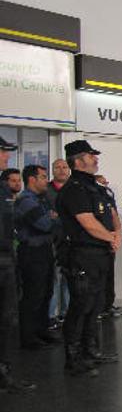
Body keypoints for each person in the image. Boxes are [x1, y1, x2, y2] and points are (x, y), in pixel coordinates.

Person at [56, 140, 119, 377]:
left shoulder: (96, 187)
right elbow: (88, 223)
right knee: (80, 306)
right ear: (79, 160)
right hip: (82, 255)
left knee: (95, 306)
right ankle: (73, 359)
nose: (96, 159)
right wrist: (111, 238)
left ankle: (90, 352)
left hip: (100, 254)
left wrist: (115, 234)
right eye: (92, 156)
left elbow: (111, 214)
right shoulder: (73, 190)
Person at [0, 138, 37, 392]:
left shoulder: (3, 190)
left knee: (8, 319)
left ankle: (4, 373)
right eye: (3, 152)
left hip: (5, 259)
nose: (6, 157)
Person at [14, 164, 61, 352]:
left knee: (46, 292)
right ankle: (29, 336)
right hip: (32, 252)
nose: (46, 181)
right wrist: (53, 218)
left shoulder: (41, 200)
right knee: (33, 295)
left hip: (45, 250)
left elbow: (52, 220)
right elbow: (44, 224)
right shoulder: (26, 201)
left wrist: (52, 217)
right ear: (32, 179)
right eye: (42, 177)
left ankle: (42, 330)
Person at [94, 174, 122, 320]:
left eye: (105, 182)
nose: (104, 184)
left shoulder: (108, 195)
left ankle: (108, 304)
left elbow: (114, 216)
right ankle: (97, 308)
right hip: (98, 241)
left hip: (111, 239)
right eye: (101, 182)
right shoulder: (92, 197)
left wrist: (116, 236)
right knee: (98, 277)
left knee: (109, 275)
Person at [47, 158, 70, 330]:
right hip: (52, 241)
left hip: (71, 242)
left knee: (69, 279)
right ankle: (51, 315)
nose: (61, 170)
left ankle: (66, 312)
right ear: (52, 170)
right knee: (54, 279)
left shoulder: (74, 189)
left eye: (64, 167)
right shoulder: (45, 190)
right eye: (58, 167)